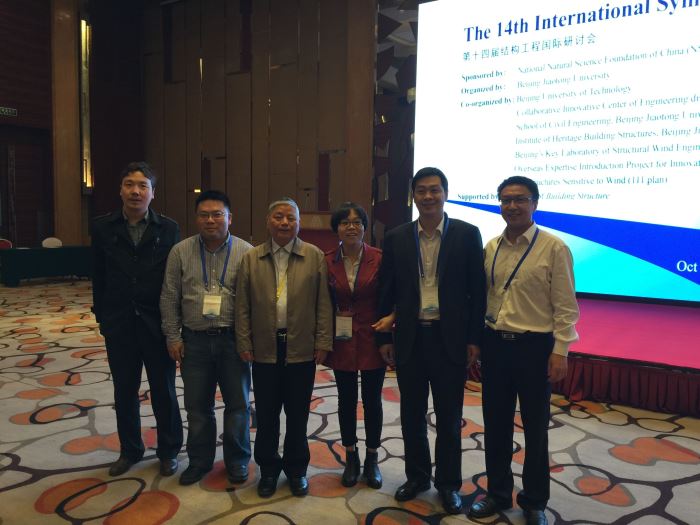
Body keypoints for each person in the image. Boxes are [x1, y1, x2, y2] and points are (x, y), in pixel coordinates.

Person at [468, 176, 579, 525]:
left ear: (535, 203)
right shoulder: (491, 247)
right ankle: (498, 493)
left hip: (534, 348)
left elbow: (566, 306)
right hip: (495, 345)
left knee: (535, 427)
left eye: (520, 199)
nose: (512, 206)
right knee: (496, 425)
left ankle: (534, 502)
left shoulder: (554, 248)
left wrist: (561, 350)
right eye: (505, 200)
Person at [377, 167, 486, 514]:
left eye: (434, 190)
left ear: (446, 194)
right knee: (411, 415)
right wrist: (384, 336)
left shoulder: (467, 234)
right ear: (413, 196)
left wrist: (474, 338)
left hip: (449, 339)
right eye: (421, 190)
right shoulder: (396, 237)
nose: (428, 196)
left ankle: (448, 484)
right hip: (411, 338)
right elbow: (387, 289)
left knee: (449, 418)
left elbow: (478, 292)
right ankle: (418, 477)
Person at [235, 197, 333, 498]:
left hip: (301, 347)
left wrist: (323, 341)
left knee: (297, 414)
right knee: (266, 415)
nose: (285, 222)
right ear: (268, 222)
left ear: (299, 223)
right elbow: (242, 306)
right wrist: (243, 340)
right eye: (278, 217)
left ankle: (296, 470)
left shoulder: (314, 256)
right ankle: (268, 470)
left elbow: (323, 304)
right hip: (264, 347)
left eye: (291, 217)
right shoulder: (252, 258)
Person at [91, 161, 183, 477]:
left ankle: (169, 450)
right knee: (125, 391)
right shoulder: (102, 227)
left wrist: (174, 324)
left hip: (156, 323)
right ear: (120, 190)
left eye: (143, 185)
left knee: (164, 390)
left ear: (153, 193)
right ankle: (130, 450)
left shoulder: (168, 228)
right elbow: (98, 275)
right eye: (129, 184)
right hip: (119, 324)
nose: (135, 191)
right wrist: (103, 317)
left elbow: (174, 280)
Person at [160, 190, 253, 486]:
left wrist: (249, 341)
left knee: (238, 405)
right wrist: (172, 336)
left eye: (217, 214)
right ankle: (199, 461)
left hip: (233, 341)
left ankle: (238, 461)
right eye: (204, 215)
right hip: (194, 341)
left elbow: (255, 301)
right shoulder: (180, 251)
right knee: (198, 407)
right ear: (196, 218)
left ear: (230, 218)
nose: (210, 220)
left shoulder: (247, 252)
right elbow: (169, 296)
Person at [325, 202, 389, 489]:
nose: (351, 227)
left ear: (365, 227)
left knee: (373, 399)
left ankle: (372, 457)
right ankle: (351, 456)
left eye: (356, 222)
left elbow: (391, 295)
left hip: (373, 338)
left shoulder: (380, 258)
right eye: (344, 222)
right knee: (346, 399)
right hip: (341, 339)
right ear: (336, 229)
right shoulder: (327, 260)